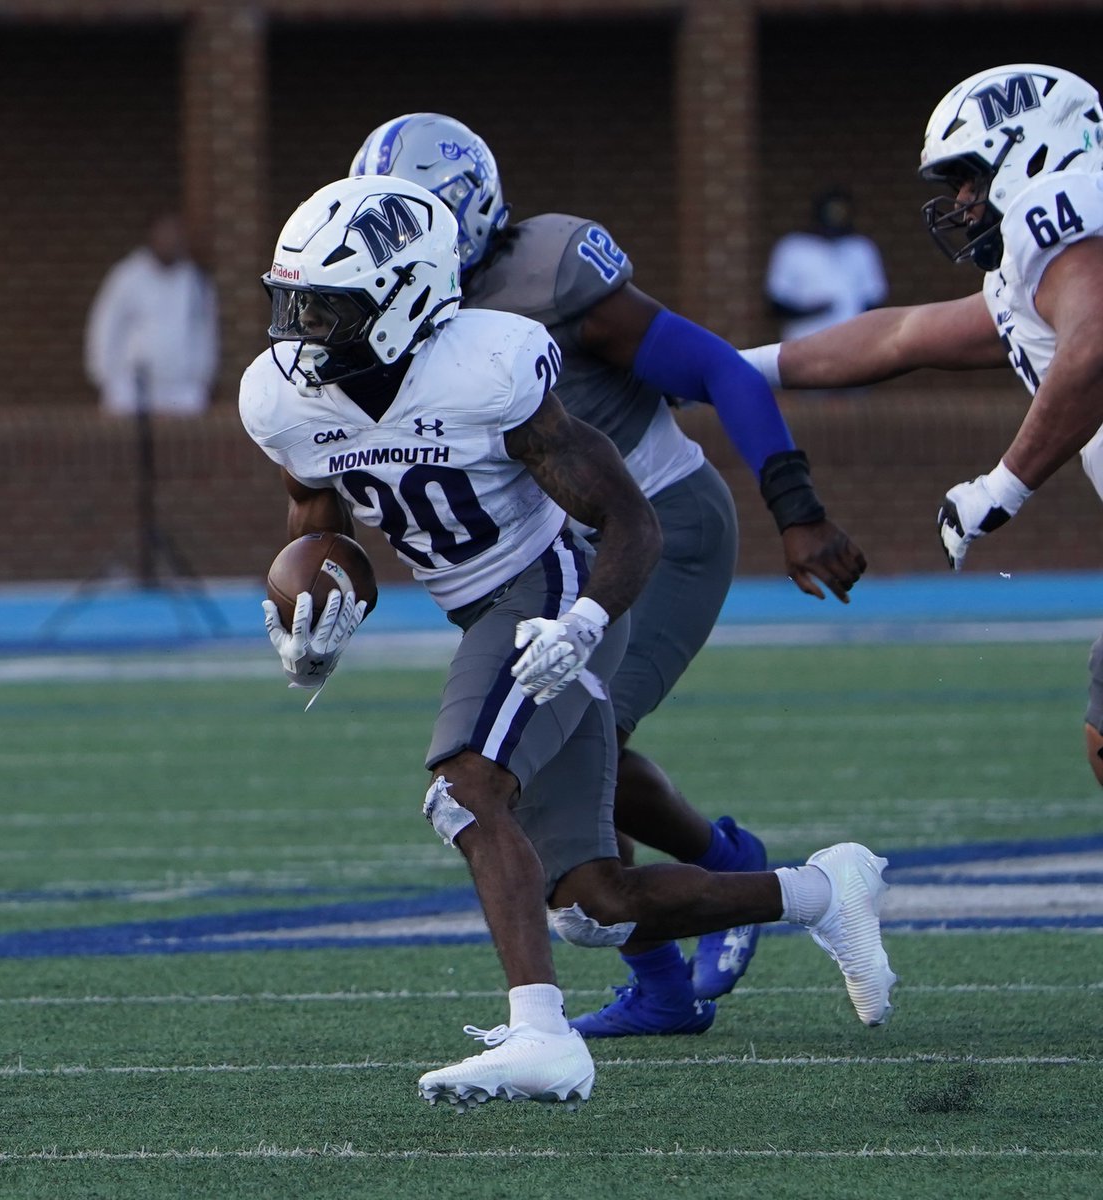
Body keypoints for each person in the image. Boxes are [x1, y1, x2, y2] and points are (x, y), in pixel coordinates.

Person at [238, 173, 895, 1109]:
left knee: (467, 791)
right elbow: (321, 523)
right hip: (478, 609)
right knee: (593, 902)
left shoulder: (491, 365)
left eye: (327, 307)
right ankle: (821, 891)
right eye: (292, 301)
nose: (301, 328)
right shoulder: (285, 399)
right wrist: (316, 626)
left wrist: (585, 620)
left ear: (406, 299)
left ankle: (542, 1036)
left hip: (542, 590)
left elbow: (632, 523)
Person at [349, 114, 868, 1037]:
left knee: (583, 735)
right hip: (556, 552)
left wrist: (798, 508)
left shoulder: (552, 275)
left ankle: (724, 877)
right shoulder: (401, 313)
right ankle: (669, 967)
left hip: (658, 525)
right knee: (576, 748)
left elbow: (719, 371)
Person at [740, 63, 1103, 788]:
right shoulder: (1035, 272)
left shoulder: (1063, 206)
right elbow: (900, 336)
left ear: (1032, 151)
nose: (962, 202)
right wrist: (724, 371)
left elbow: (1097, 344)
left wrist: (1003, 486)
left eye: (969, 178)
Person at [85, 212, 219, 416]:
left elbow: (206, 332)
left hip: (181, 388)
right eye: (163, 235)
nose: (169, 241)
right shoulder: (127, 276)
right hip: (132, 387)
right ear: (151, 237)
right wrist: (104, 375)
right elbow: (105, 325)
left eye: (174, 235)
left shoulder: (194, 281)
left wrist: (204, 376)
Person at [764, 186, 888, 342]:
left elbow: (874, 301)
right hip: (803, 343)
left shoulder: (861, 248)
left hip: (852, 345)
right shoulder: (792, 247)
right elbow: (776, 305)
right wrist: (815, 310)